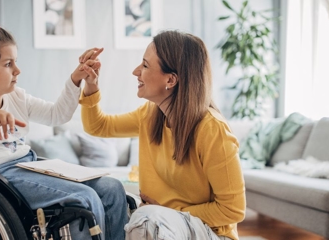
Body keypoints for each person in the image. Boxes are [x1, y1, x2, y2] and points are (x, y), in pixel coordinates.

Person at [0, 22, 127, 240]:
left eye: (15, 62)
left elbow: (56, 115)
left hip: (28, 165)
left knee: (113, 188)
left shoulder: (15, 97)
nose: (17, 70)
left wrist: (76, 79)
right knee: (84, 198)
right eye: (8, 64)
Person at [77, 30, 246, 240]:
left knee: (146, 220)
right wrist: (91, 85)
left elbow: (233, 210)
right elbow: (98, 126)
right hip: (163, 223)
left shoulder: (212, 130)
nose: (136, 71)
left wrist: (169, 211)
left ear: (171, 80)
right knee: (112, 200)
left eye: (145, 66)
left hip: (210, 233)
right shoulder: (150, 115)